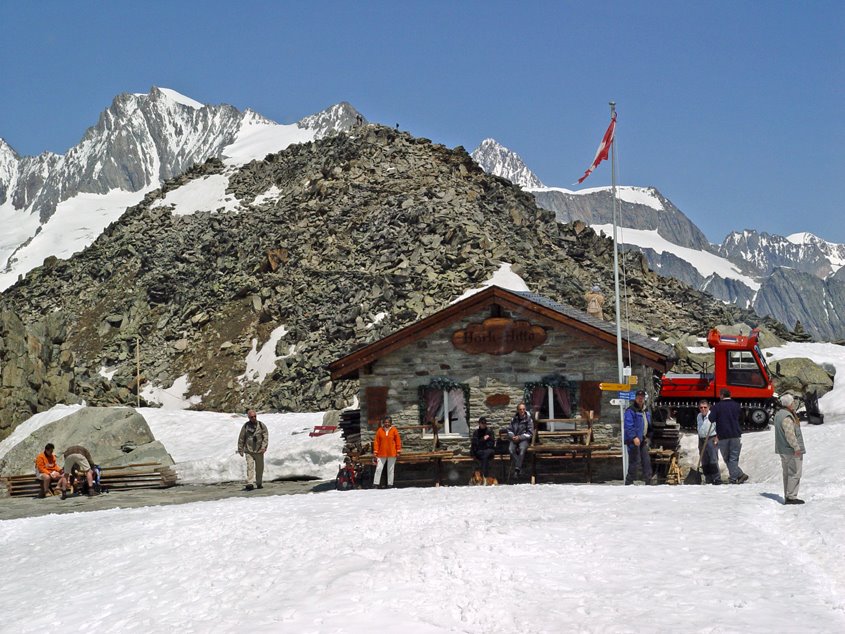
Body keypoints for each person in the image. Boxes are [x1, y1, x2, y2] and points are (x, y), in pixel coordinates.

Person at [709, 388, 749, 484]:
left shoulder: (717, 407)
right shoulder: (736, 405)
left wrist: (712, 410)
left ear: (721, 395)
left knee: (727, 458)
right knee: (733, 458)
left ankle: (733, 479)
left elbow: (711, 419)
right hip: (735, 434)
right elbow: (742, 418)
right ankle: (740, 475)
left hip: (723, 435)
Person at [774, 394, 805, 505]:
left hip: (782, 449)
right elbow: (790, 434)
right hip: (790, 450)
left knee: (787, 473)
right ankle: (791, 497)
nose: (794, 404)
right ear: (789, 404)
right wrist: (796, 448)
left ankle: (788, 495)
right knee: (795, 473)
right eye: (793, 402)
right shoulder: (787, 416)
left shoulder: (779, 414)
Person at [624, 390, 654, 485]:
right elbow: (628, 426)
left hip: (643, 439)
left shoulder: (646, 410)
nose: (640, 399)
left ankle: (648, 483)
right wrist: (634, 437)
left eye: (642, 398)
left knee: (646, 461)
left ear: (644, 398)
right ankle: (628, 483)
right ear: (635, 398)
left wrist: (649, 435)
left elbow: (648, 424)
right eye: (638, 398)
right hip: (634, 440)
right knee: (634, 462)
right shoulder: (631, 410)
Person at [237, 409, 269, 491]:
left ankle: (259, 483)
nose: (253, 418)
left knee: (259, 468)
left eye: (255, 416)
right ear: (248, 417)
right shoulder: (245, 426)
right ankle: (250, 483)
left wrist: (263, 447)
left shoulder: (261, 425)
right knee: (250, 467)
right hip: (249, 451)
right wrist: (240, 449)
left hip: (259, 451)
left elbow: (265, 437)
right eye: (251, 417)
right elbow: (241, 438)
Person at [373, 416, 402, 488]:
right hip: (381, 453)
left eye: (388, 422)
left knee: (390, 469)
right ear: (383, 423)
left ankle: (390, 484)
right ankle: (376, 483)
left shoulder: (394, 430)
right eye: (385, 422)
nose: (386, 423)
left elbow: (398, 440)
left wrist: (398, 451)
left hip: (392, 452)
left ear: (390, 423)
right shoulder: (380, 430)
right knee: (379, 468)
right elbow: (376, 442)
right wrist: (375, 451)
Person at [696, 400, 721, 485]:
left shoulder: (712, 415)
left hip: (711, 438)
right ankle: (708, 478)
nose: (703, 409)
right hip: (701, 439)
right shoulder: (699, 416)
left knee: (713, 459)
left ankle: (716, 479)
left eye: (705, 407)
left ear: (708, 407)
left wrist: (717, 438)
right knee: (704, 460)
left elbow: (719, 427)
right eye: (701, 407)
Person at [507, 403, 534, 480]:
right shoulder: (514, 419)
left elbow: (530, 433)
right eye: (520, 409)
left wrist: (520, 437)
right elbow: (509, 430)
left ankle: (517, 470)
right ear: (518, 410)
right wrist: (513, 437)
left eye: (523, 409)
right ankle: (519, 467)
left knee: (522, 450)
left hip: (523, 439)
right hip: (514, 439)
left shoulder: (529, 419)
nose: (522, 411)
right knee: (511, 450)